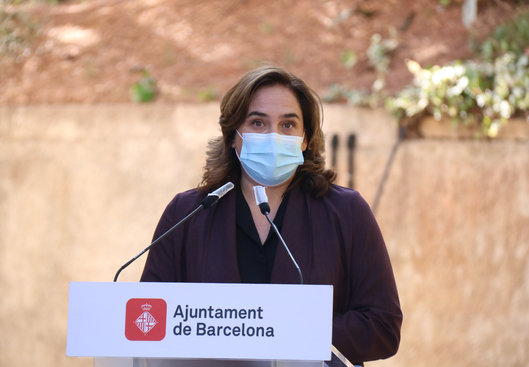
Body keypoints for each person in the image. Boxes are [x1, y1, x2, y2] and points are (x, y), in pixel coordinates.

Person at [140, 66, 402, 364]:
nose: (273, 136)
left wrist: (283, 329)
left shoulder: (346, 212)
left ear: (305, 140)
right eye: (257, 123)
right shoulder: (186, 214)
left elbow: (383, 327)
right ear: (233, 136)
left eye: (288, 125)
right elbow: (149, 316)